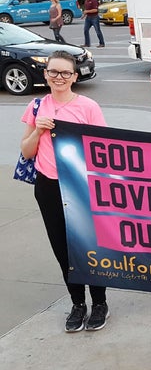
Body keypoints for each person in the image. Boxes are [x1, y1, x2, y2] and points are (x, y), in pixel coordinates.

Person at [20, 50, 109, 332]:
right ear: (45, 75)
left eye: (65, 73)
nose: (59, 77)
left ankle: (99, 302)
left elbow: (103, 149)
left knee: (89, 245)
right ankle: (77, 303)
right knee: (62, 248)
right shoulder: (36, 106)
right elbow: (26, 150)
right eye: (54, 72)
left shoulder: (88, 107)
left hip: (82, 186)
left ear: (74, 76)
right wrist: (38, 131)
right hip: (48, 185)